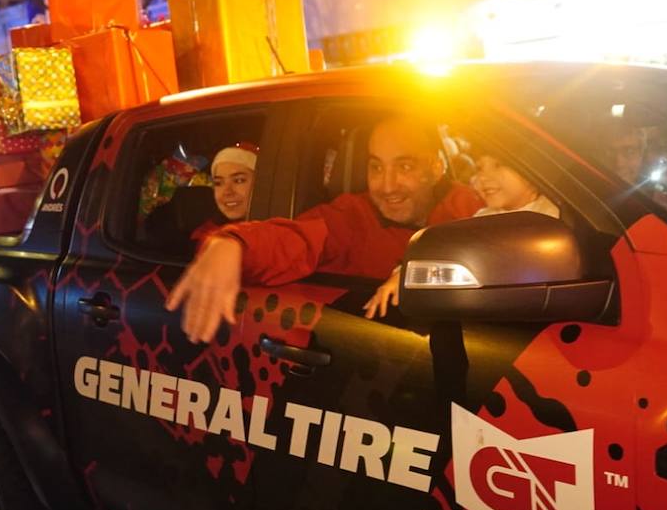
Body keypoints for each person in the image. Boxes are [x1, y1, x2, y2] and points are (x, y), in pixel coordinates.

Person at [166, 115, 481, 342]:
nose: (387, 186)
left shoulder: (469, 207)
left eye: (405, 166)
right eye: (375, 167)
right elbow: (294, 239)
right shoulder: (350, 215)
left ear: (435, 168)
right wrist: (232, 245)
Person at [364, 150, 559, 319]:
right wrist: (404, 273)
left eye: (499, 165)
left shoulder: (552, 217)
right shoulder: (486, 215)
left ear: (535, 169)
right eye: (480, 168)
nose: (483, 178)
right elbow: (447, 250)